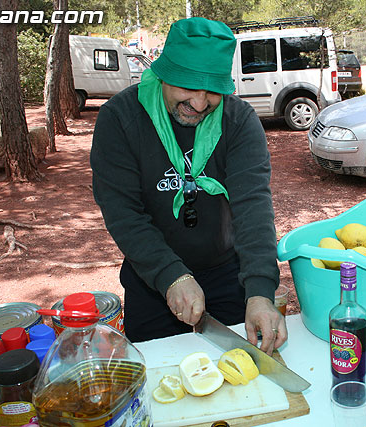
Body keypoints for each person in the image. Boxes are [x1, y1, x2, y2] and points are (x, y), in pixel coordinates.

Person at [90, 17, 286, 354]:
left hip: (228, 274)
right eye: (187, 86)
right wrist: (170, 275)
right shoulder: (119, 118)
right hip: (151, 278)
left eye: (211, 91)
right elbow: (124, 214)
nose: (198, 104)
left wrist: (259, 292)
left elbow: (252, 206)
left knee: (239, 373)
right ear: (164, 73)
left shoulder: (237, 120)